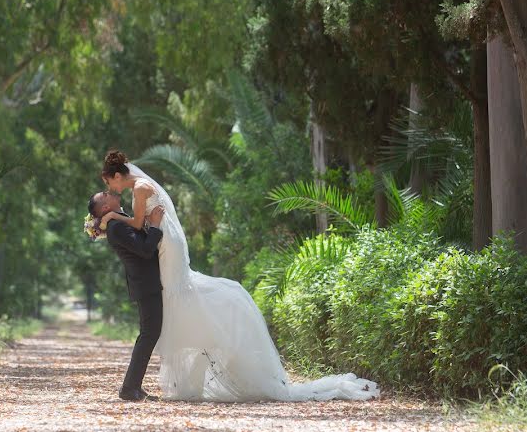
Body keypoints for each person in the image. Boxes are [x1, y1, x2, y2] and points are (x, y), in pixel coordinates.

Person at [98, 149, 380, 402]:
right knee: (178, 294)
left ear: (116, 176)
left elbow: (137, 223)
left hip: (167, 243)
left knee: (179, 293)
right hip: (167, 241)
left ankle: (198, 350)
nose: (111, 189)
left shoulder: (140, 189)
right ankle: (189, 360)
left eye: (108, 183)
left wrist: (111, 218)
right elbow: (142, 223)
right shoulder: (140, 187)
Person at [88, 189, 166, 401]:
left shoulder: (120, 220)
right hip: (146, 283)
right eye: (105, 194)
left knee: (149, 333)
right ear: (105, 207)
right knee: (149, 333)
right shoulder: (116, 228)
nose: (109, 192)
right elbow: (145, 250)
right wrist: (156, 226)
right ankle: (129, 388)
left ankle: (132, 387)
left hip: (148, 282)